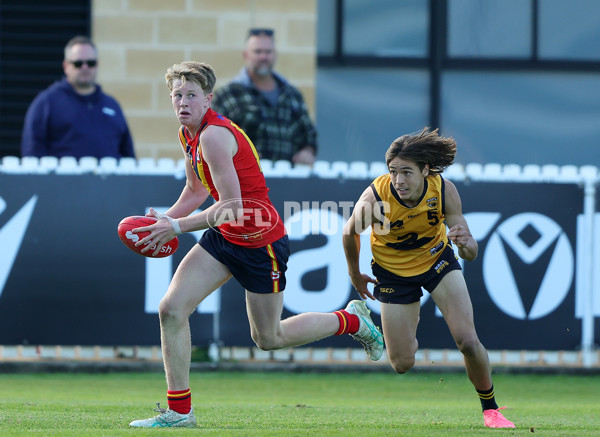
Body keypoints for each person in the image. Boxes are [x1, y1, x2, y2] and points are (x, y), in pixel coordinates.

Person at [128, 61, 382, 428]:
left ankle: (351, 321)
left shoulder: (214, 136)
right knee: (170, 309)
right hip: (225, 236)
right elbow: (196, 190)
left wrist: (176, 226)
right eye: (176, 95)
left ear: (208, 99)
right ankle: (179, 413)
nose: (182, 102)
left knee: (269, 338)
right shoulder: (189, 133)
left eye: (191, 95)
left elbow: (231, 208)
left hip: (260, 241)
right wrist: (165, 218)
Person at [342, 128, 515, 429]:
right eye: (393, 172)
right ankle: (373, 327)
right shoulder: (376, 198)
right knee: (402, 363)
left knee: (468, 340)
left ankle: (491, 410)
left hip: (437, 262)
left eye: (406, 172)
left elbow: (470, 253)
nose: (398, 180)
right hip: (393, 273)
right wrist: (355, 274)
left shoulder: (444, 190)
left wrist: (465, 243)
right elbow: (349, 232)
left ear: (425, 170)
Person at [211, 28, 316, 166]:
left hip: (289, 181)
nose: (263, 57)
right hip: (243, 181)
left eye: (268, 52)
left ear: (275, 54)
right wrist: (238, 153)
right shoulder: (227, 96)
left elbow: (309, 136)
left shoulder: (292, 95)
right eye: (258, 51)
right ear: (246, 55)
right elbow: (212, 138)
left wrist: (307, 152)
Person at [20, 35, 135, 159]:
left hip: (108, 178)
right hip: (64, 178)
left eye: (91, 63)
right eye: (78, 63)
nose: (85, 68)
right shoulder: (47, 103)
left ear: (97, 65)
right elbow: (32, 151)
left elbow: (128, 154)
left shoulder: (112, 105)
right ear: (66, 66)